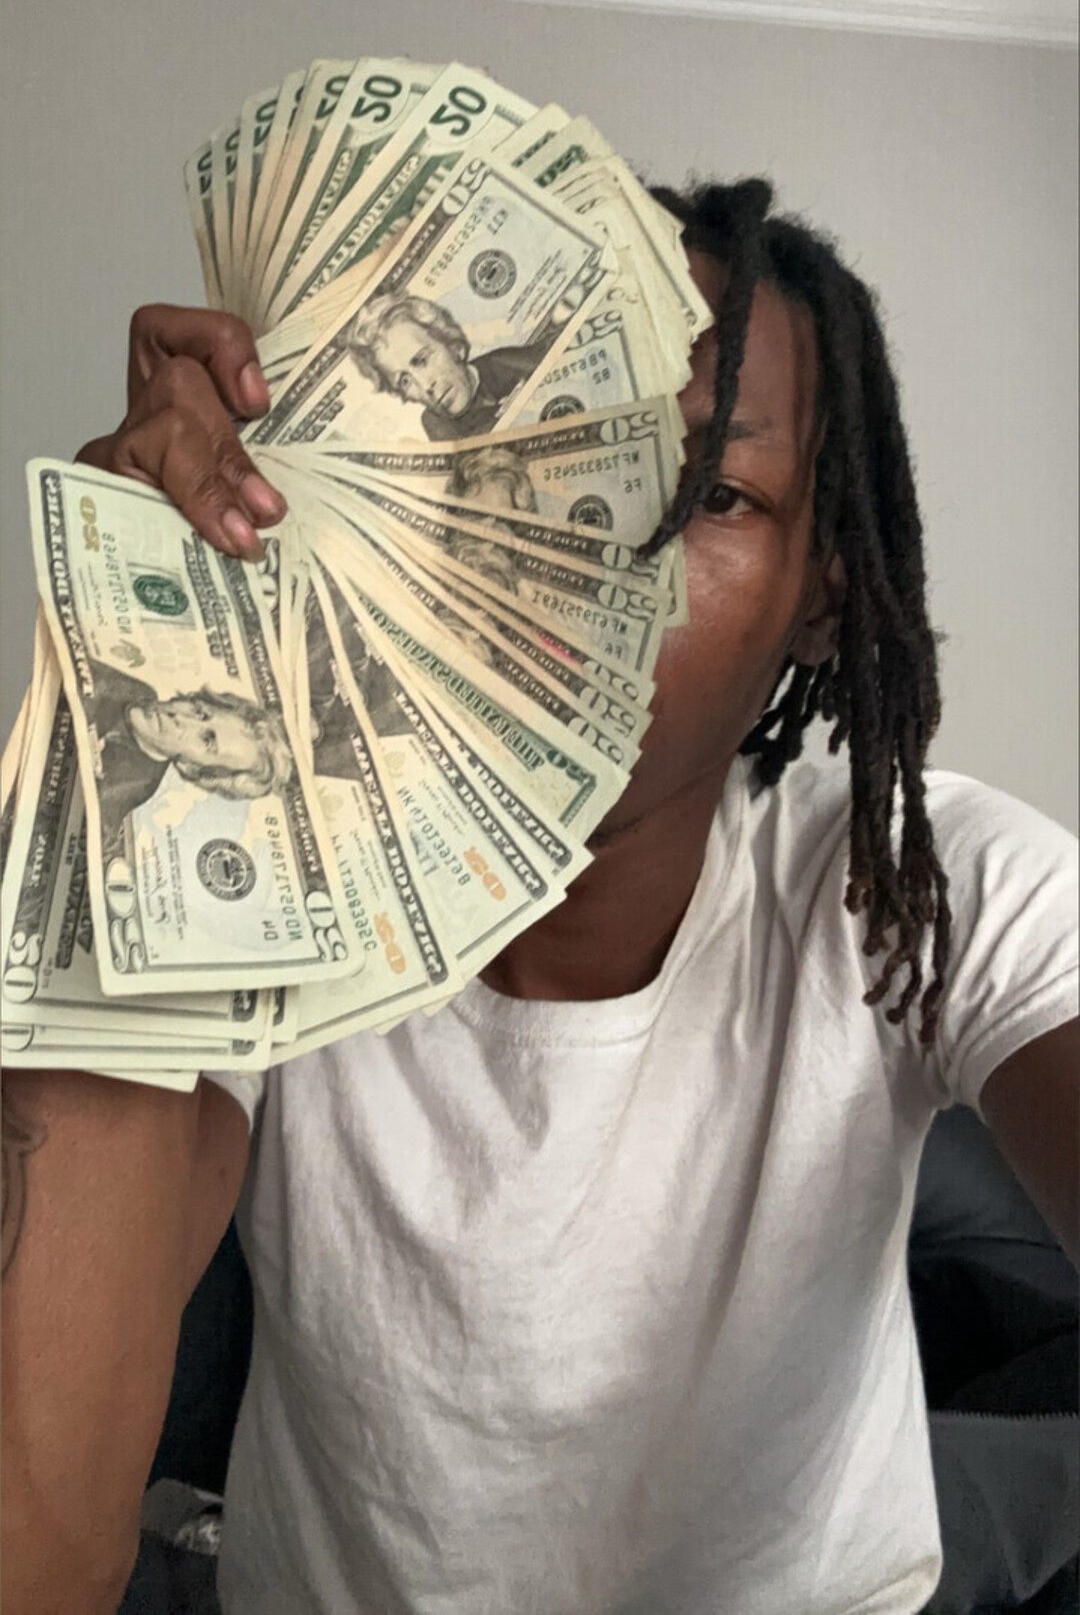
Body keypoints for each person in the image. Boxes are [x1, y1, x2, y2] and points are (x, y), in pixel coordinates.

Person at [3, 180, 1077, 1615]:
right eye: (528, 464)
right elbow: (37, 1549)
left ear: (822, 593)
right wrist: (135, 664)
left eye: (708, 495)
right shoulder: (273, 878)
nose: (589, 560)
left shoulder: (921, 875)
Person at [84, 662, 294, 861]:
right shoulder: (136, 692)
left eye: (206, 740)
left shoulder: (129, 787)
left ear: (192, 767)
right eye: (200, 713)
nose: (180, 718)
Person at [341, 291, 544, 440]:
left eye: (421, 360)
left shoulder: (502, 363)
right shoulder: (437, 426)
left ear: (454, 347)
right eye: (405, 381)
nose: (425, 385)